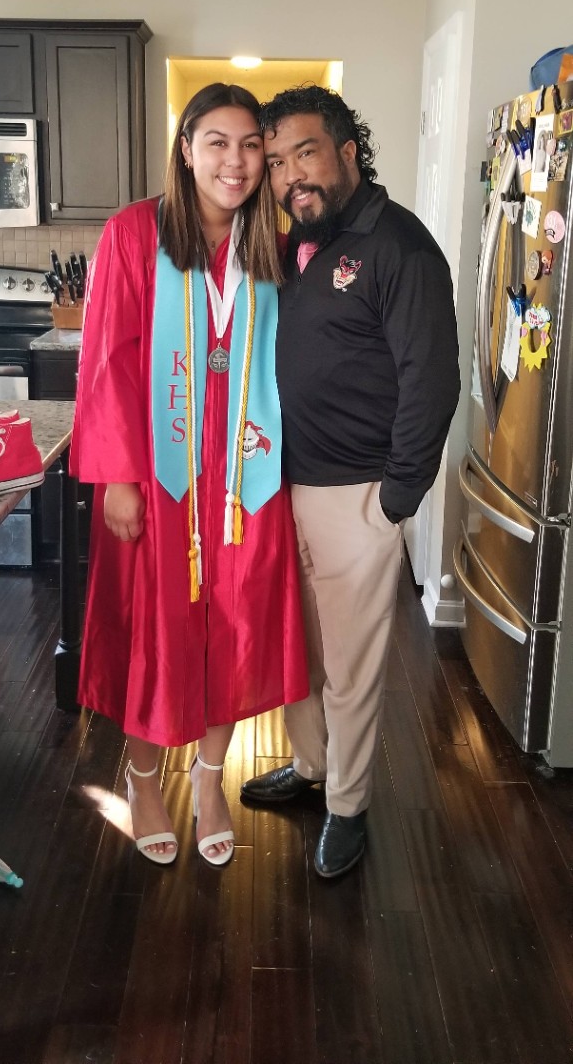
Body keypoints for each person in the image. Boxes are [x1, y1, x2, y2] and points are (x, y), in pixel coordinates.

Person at [70, 83, 308, 868]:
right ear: (186, 147)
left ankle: (208, 782)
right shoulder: (134, 233)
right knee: (157, 632)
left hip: (245, 483)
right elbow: (105, 361)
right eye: (218, 143)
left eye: (250, 147)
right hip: (160, 478)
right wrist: (118, 477)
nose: (235, 162)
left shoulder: (268, 242)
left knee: (231, 635)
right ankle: (141, 780)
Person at [241, 85, 461, 878]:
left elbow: (432, 381)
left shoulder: (398, 246)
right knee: (298, 648)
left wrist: (394, 502)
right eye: (275, 163)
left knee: (352, 663)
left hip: (358, 495)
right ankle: (309, 770)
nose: (291, 175)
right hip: (285, 486)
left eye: (304, 153)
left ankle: (348, 805)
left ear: (347, 153)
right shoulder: (300, 244)